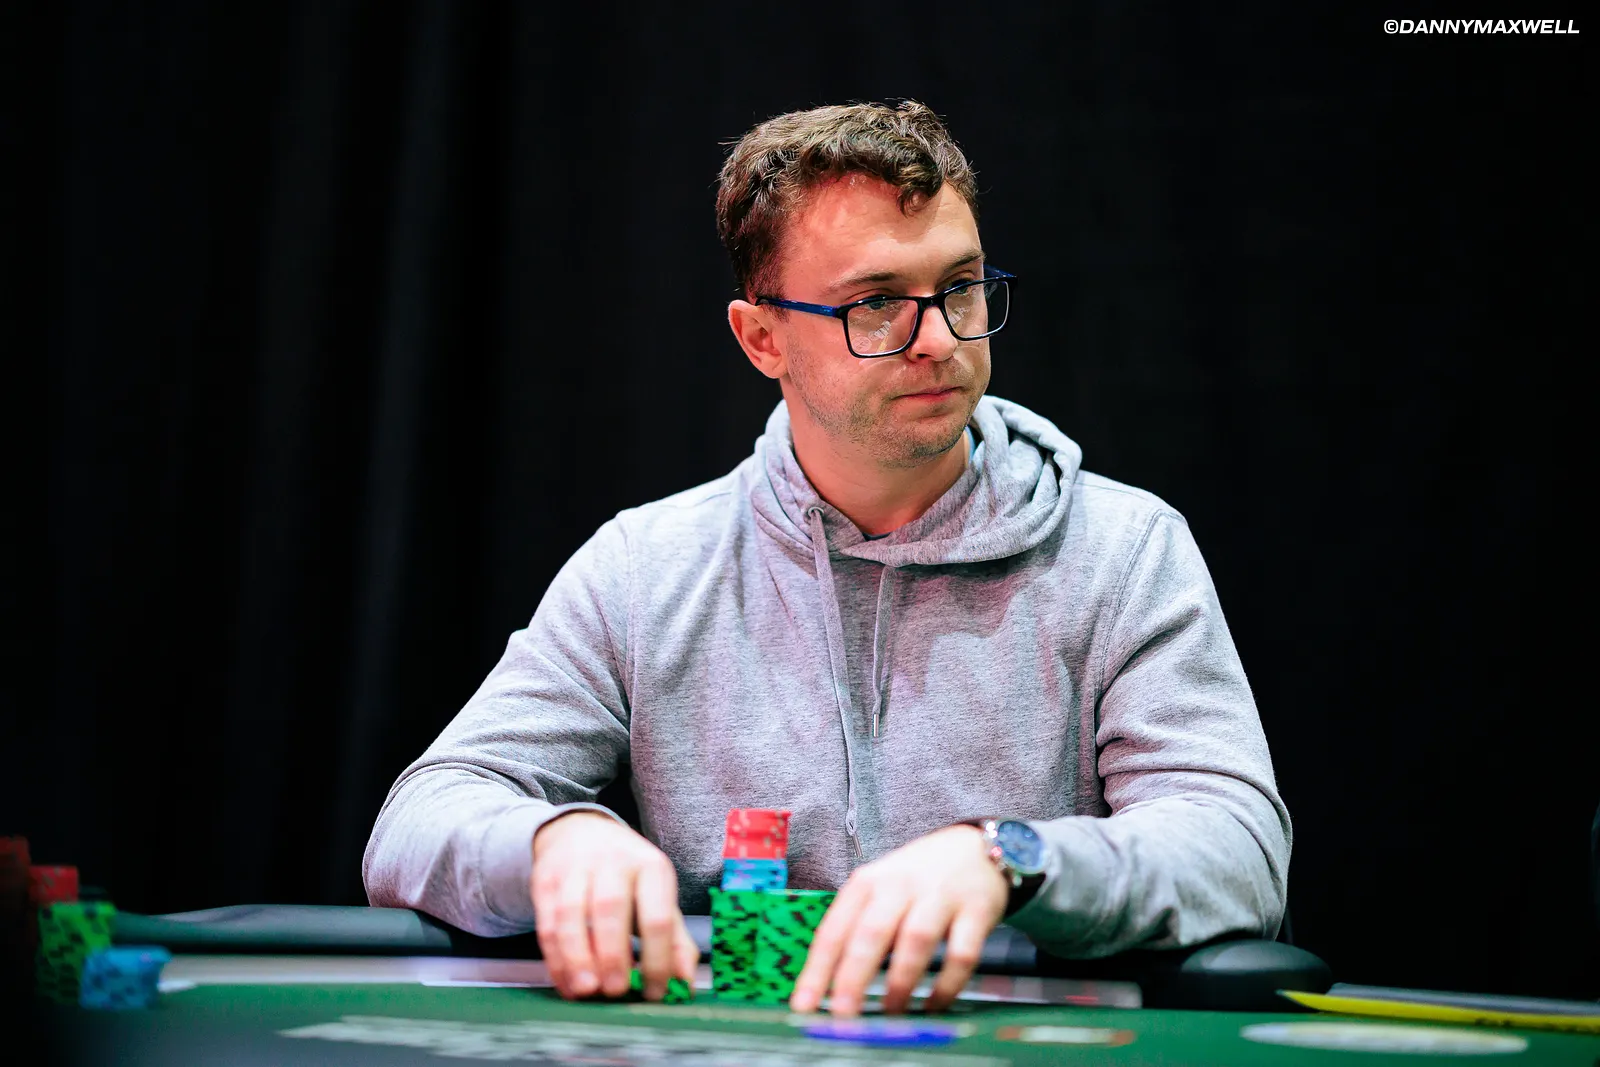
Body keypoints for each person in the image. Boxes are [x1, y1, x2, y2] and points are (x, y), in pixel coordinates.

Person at [363, 99, 1291, 1018]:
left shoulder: (1123, 548)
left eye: (960, 287)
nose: (939, 340)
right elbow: (420, 820)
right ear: (762, 338)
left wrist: (1009, 855)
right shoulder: (647, 569)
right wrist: (553, 841)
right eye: (876, 303)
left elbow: (1237, 848)